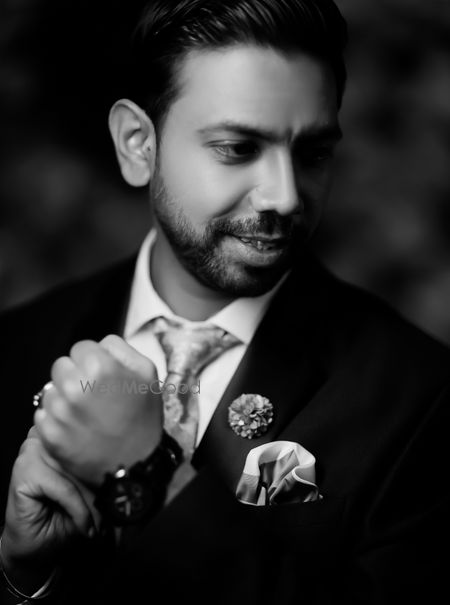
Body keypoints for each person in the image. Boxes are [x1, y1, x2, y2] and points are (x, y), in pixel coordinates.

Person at [1, 1, 449, 603]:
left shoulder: (420, 398)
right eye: (238, 148)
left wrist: (150, 476)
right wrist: (23, 578)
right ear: (137, 145)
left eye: (313, 153)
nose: (284, 197)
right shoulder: (16, 347)